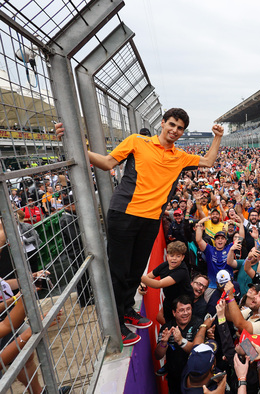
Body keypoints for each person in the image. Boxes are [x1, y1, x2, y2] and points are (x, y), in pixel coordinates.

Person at [55, 108, 224, 346]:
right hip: (124, 213)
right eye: (172, 125)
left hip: (151, 220)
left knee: (135, 271)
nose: (175, 131)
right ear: (163, 123)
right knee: (118, 270)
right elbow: (106, 162)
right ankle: (115, 324)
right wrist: (73, 144)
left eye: (180, 128)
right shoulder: (137, 141)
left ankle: (126, 309)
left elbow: (207, 161)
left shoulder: (180, 156)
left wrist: (217, 137)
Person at [155, 295, 213, 393]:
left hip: (194, 380)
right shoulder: (167, 327)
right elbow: (157, 355)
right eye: (181, 310)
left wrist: (181, 341)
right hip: (174, 379)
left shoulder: (199, 325)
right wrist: (163, 343)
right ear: (174, 312)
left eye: (188, 309)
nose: (186, 313)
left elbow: (198, 351)